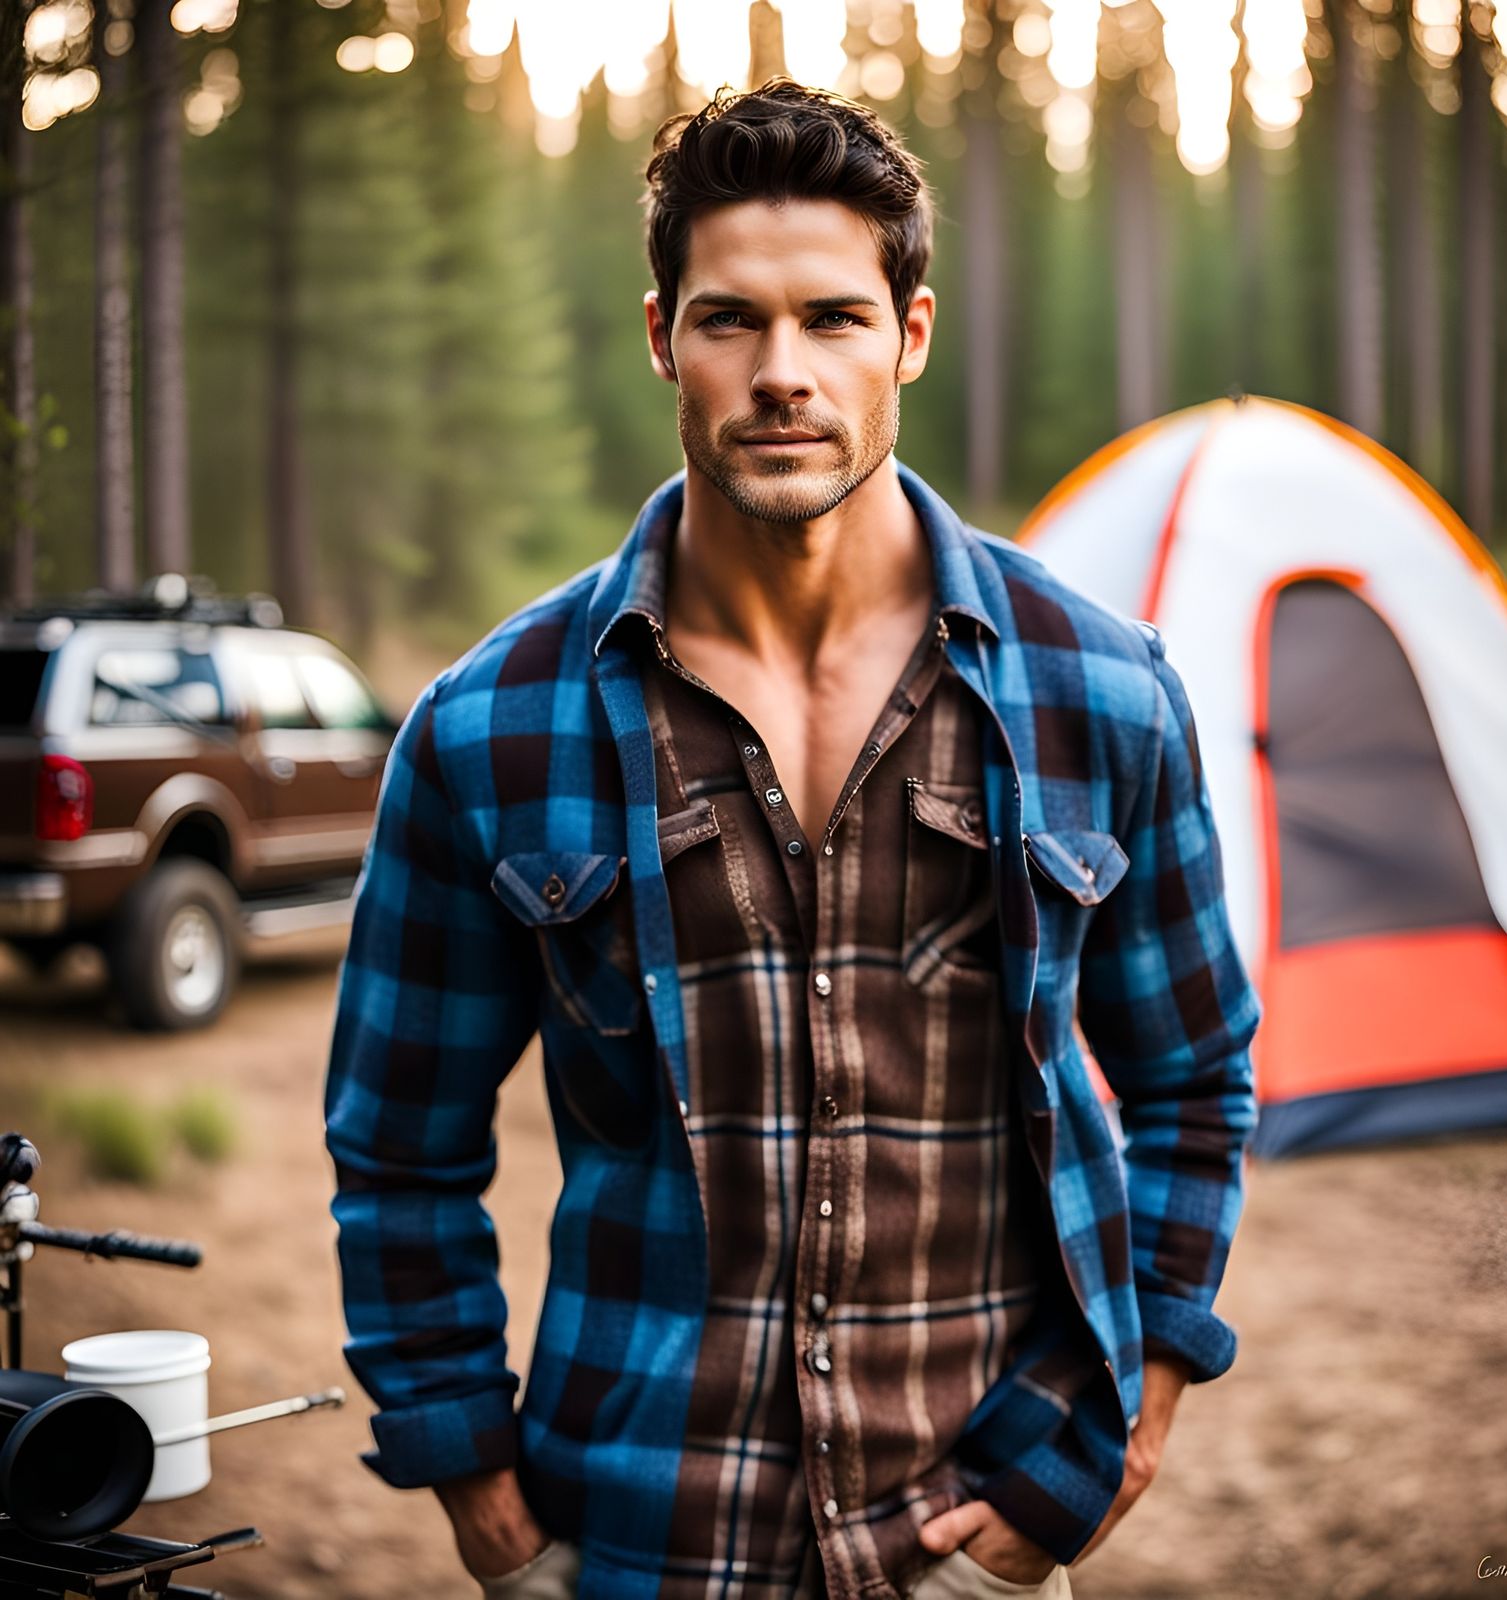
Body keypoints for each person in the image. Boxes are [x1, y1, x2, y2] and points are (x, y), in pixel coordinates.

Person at [323, 77, 1260, 1600]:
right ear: (658, 338)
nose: (781, 374)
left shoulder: (1101, 692)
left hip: (971, 1540)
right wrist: (481, 1500)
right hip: (629, 1537)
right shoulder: (489, 723)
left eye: (832, 317)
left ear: (912, 333)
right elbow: (397, 1150)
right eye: (727, 321)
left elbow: (1195, 1081)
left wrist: (1118, 1434)